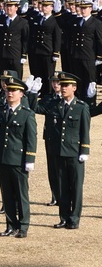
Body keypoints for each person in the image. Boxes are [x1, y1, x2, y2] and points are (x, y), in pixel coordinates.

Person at [0, 77, 36, 238]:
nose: (9, 93)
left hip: (18, 160)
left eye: (13, 91)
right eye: (8, 90)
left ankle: (23, 226)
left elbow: (31, 138)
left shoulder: (27, 114)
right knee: (7, 194)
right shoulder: (2, 111)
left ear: (21, 94)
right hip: (2, 158)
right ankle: (10, 225)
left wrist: (30, 159)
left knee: (20, 194)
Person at [48, 72, 90, 229]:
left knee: (75, 187)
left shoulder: (81, 107)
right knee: (62, 187)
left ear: (74, 88)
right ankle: (64, 217)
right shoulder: (56, 105)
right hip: (59, 151)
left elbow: (85, 130)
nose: (63, 88)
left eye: (66, 85)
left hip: (74, 152)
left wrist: (84, 150)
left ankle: (74, 218)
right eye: (62, 85)